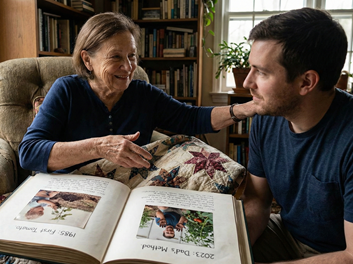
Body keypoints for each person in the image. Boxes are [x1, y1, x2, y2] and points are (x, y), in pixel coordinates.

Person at [18, 12, 255, 174]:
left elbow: (192, 118)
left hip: (129, 191)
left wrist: (245, 109)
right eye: (115, 57)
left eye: (131, 56)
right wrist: (99, 147)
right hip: (73, 187)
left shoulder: (144, 94)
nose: (129, 67)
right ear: (87, 60)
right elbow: (28, 153)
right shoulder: (66, 90)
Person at [240, 7, 353, 263]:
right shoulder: (266, 117)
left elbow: (352, 255)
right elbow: (257, 200)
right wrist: (230, 248)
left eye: (262, 72)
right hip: (285, 233)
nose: (247, 82)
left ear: (306, 82)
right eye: (250, 68)